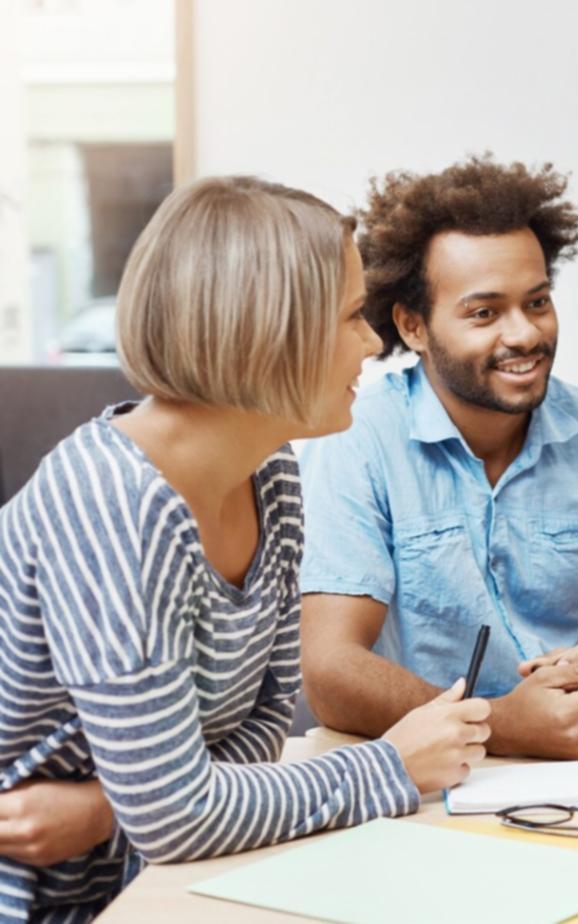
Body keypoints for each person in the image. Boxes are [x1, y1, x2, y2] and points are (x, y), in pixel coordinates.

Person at [0, 177, 490, 921]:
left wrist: (123, 804)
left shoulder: (272, 474)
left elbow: (256, 736)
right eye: (353, 316)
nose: (372, 342)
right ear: (268, 332)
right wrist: (390, 764)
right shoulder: (110, 501)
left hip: (145, 876)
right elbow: (176, 813)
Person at [298, 157, 578, 760]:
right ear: (413, 326)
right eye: (484, 313)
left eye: (537, 302)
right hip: (413, 770)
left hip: (576, 764)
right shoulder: (358, 438)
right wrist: (505, 723)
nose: (523, 335)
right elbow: (332, 673)